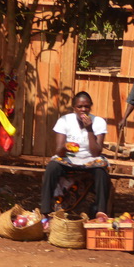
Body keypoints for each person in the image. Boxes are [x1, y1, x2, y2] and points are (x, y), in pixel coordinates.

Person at [41, 91, 110, 219]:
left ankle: (101, 210)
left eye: (87, 106)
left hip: (90, 160)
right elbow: (59, 151)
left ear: (91, 107)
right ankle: (45, 210)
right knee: (52, 168)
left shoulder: (98, 122)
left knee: (101, 171)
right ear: (74, 108)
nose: (83, 110)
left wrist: (89, 129)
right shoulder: (65, 121)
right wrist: (66, 147)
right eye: (80, 107)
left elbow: (96, 152)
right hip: (69, 159)